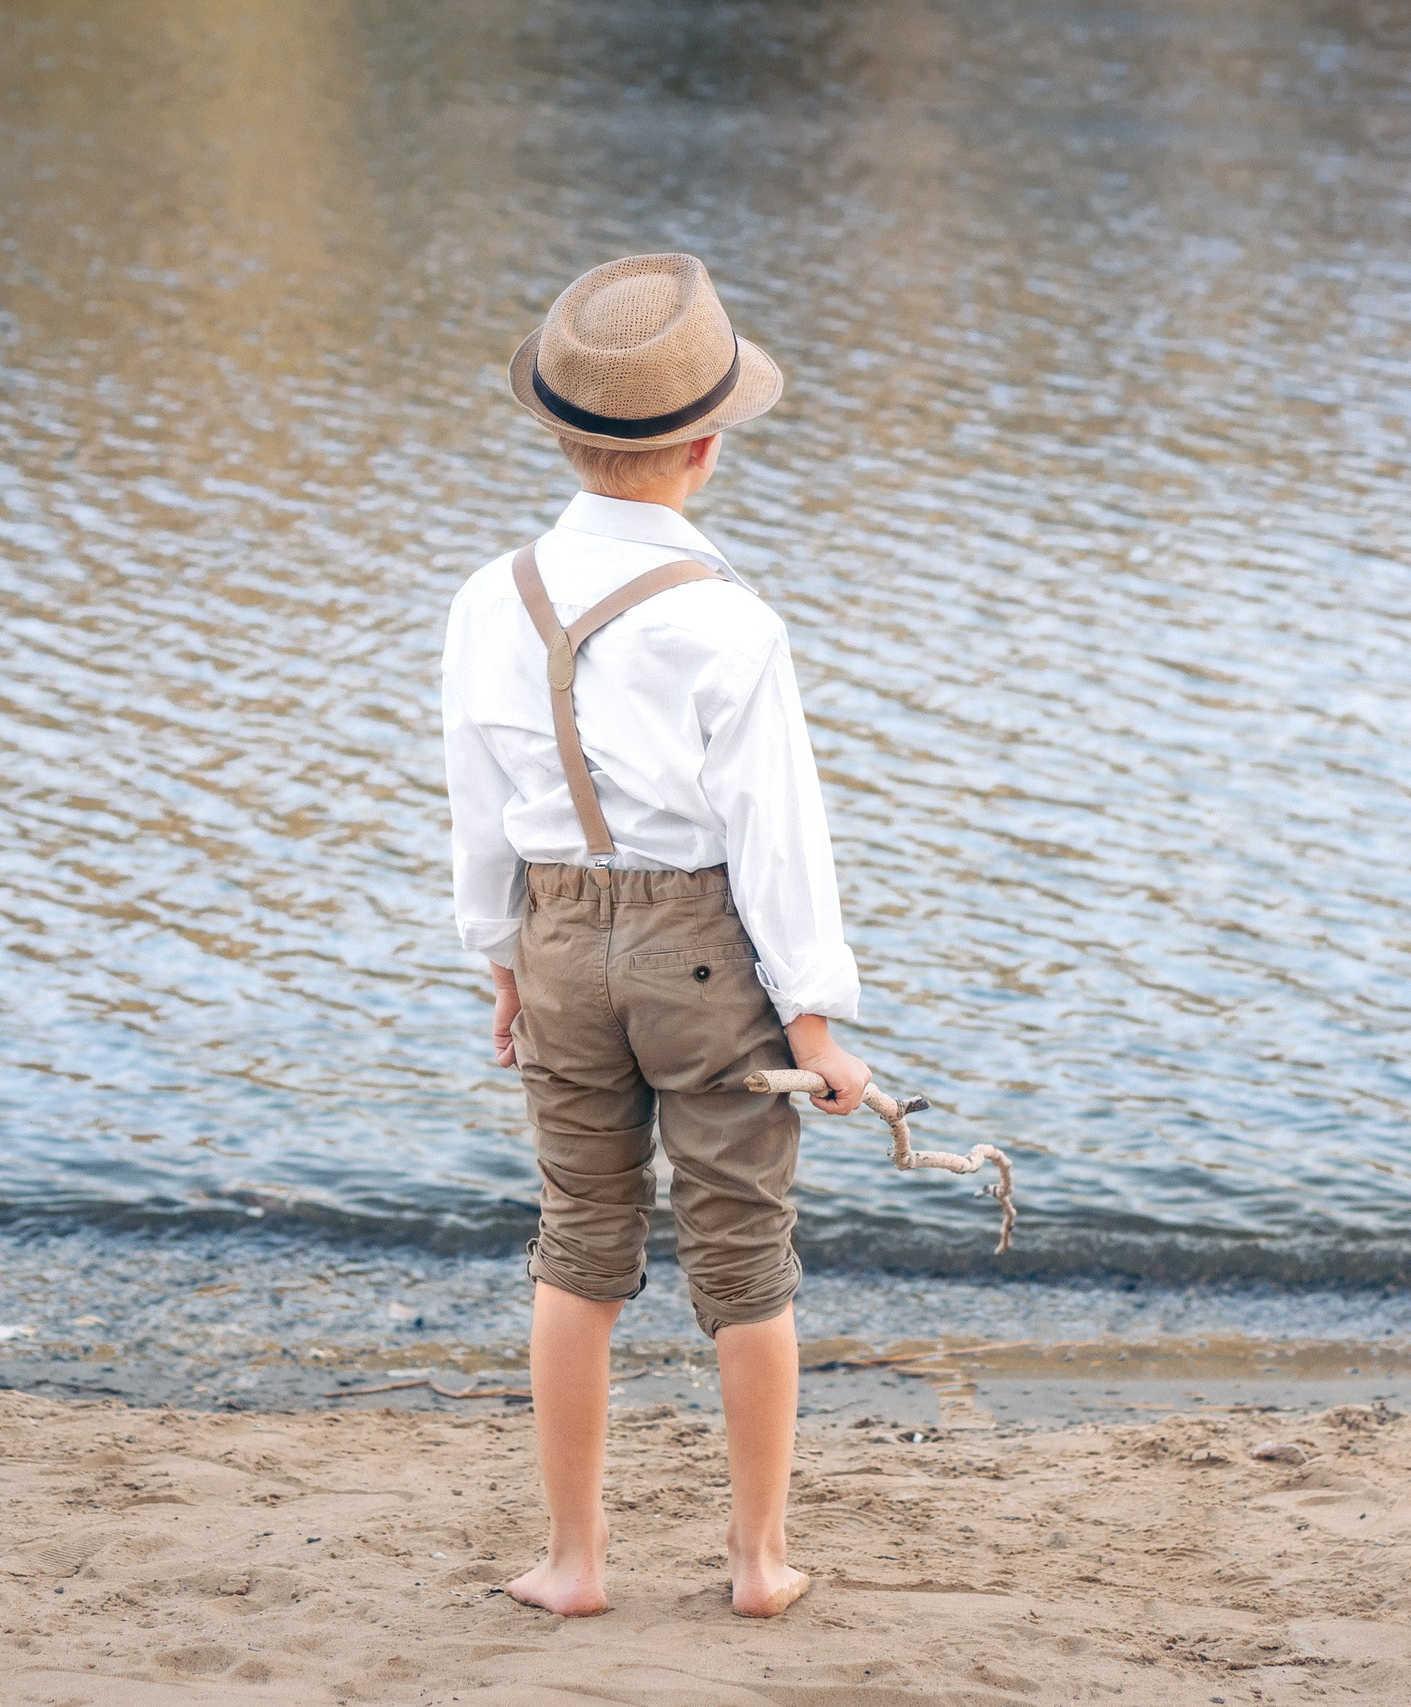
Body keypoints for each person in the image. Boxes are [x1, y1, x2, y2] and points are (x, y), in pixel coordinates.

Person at [441, 253, 871, 1619]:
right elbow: (775, 833)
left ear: (563, 431)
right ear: (707, 446)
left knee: (579, 1246)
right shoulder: (730, 619)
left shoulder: (487, 596)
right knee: (745, 1252)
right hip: (701, 948)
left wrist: (497, 956)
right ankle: (756, 1559)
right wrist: (816, 1016)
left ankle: (573, 1560)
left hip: (556, 939)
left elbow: (477, 804)